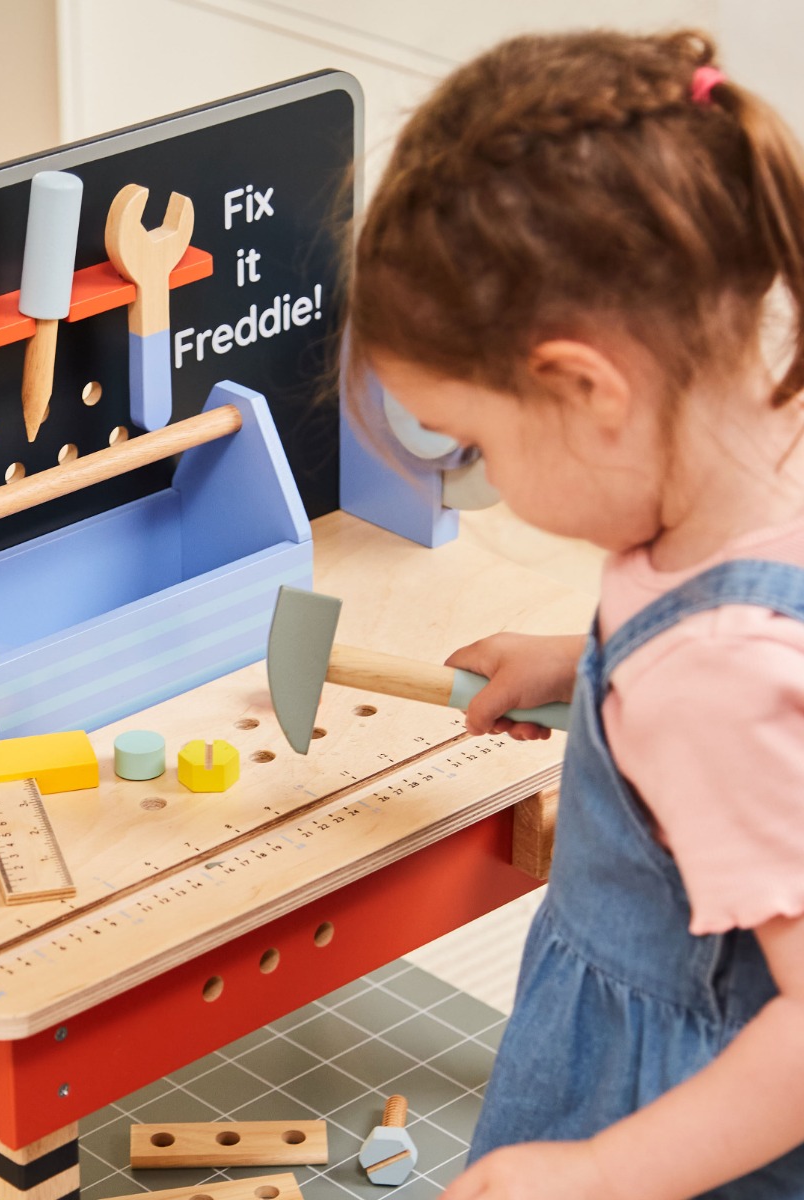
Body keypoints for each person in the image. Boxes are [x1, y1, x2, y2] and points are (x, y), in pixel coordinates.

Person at [346, 29, 804, 1200]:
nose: (481, 478)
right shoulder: (747, 489)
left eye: (482, 444)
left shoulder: (709, 680)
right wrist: (590, 663)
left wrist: (602, 1172)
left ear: (589, 392)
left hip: (687, 1117)